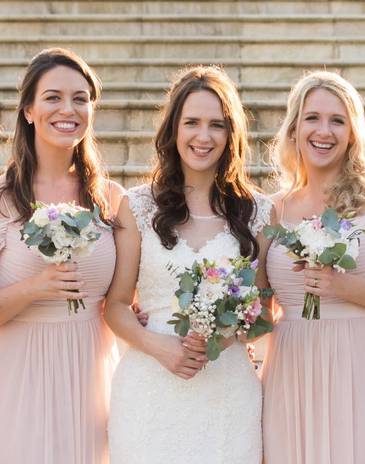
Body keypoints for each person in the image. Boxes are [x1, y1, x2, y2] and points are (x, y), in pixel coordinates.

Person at [0, 48, 123, 464]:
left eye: (81, 99)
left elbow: (124, 302)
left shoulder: (111, 200)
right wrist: (36, 287)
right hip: (20, 372)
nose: (69, 109)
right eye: (53, 97)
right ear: (28, 110)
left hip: (91, 371)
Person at [105, 66, 272, 464]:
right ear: (173, 130)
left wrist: (224, 338)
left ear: (231, 135)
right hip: (149, 385)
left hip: (227, 391)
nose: (203, 136)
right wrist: (160, 348)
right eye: (192, 122)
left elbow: (264, 311)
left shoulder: (260, 213)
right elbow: (114, 306)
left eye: (216, 125)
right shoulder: (139, 206)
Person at [261, 70, 365, 464]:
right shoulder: (275, 209)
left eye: (338, 120)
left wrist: (342, 287)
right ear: (294, 128)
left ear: (353, 133)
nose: (325, 130)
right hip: (292, 368)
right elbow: (263, 305)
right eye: (313, 118)